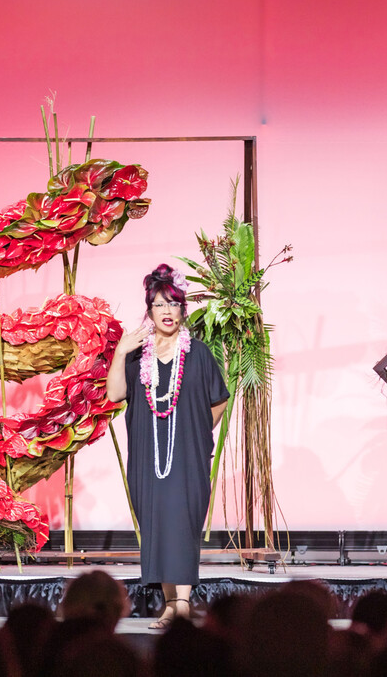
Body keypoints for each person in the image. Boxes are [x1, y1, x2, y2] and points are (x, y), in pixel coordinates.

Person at [107, 264, 229, 630]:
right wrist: (118, 352)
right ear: (149, 311)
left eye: (173, 304)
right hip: (148, 459)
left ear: (182, 310)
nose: (166, 311)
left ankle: (183, 604)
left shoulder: (200, 353)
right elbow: (115, 394)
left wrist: (196, 433)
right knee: (158, 525)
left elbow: (219, 400)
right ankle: (169, 603)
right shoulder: (135, 355)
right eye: (159, 305)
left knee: (184, 523)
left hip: (188, 459)